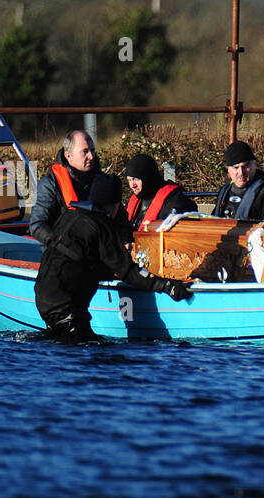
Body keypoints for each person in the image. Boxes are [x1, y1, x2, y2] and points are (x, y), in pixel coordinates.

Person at [34, 173, 193, 343]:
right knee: (87, 350)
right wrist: (167, 286)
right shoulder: (100, 227)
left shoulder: (69, 216)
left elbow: (82, 260)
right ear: (115, 205)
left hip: (42, 294)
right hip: (64, 305)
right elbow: (128, 271)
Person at [29, 130, 99, 243]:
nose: (91, 156)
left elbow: (120, 221)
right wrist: (63, 245)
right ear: (68, 156)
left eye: (93, 150)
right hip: (60, 255)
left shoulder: (102, 182)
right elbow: (37, 225)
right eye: (85, 151)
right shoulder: (50, 184)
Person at [124, 153, 197, 231]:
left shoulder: (174, 200)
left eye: (136, 179)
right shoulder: (133, 202)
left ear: (148, 177)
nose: (132, 185)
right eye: (129, 180)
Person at [212, 141, 264, 220]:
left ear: (255, 165)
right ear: (229, 170)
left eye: (245, 166)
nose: (241, 173)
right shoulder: (225, 192)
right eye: (236, 168)